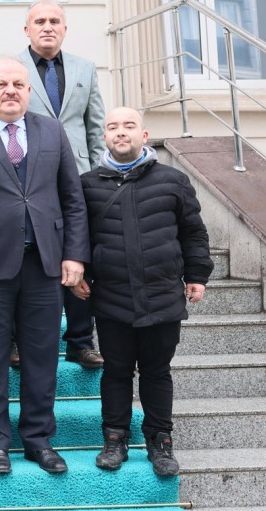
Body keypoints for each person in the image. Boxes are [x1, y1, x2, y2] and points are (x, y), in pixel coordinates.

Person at [0, 56, 89, 475]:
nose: (10, 90)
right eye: (1, 84)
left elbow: (73, 199)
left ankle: (39, 440)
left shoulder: (52, 131)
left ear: (28, 91)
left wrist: (74, 254)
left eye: (18, 84)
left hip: (44, 265)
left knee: (42, 355)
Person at [79, 107, 212, 477]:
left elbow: (193, 232)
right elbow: (78, 237)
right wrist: (79, 274)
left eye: (129, 126)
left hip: (162, 296)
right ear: (104, 136)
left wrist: (197, 273)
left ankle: (160, 442)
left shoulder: (173, 180)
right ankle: (114, 440)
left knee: (156, 372)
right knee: (116, 372)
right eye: (113, 127)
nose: (121, 132)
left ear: (144, 133)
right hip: (111, 298)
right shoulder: (87, 185)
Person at [18, 0, 106, 369]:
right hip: (28, 182)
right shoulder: (12, 69)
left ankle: (80, 341)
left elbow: (95, 128)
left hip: (80, 179)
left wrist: (100, 175)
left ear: (65, 29)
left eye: (55, 20)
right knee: (27, 260)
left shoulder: (85, 69)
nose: (48, 26)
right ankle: (19, 341)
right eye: (40, 20)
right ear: (27, 29)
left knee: (79, 255)